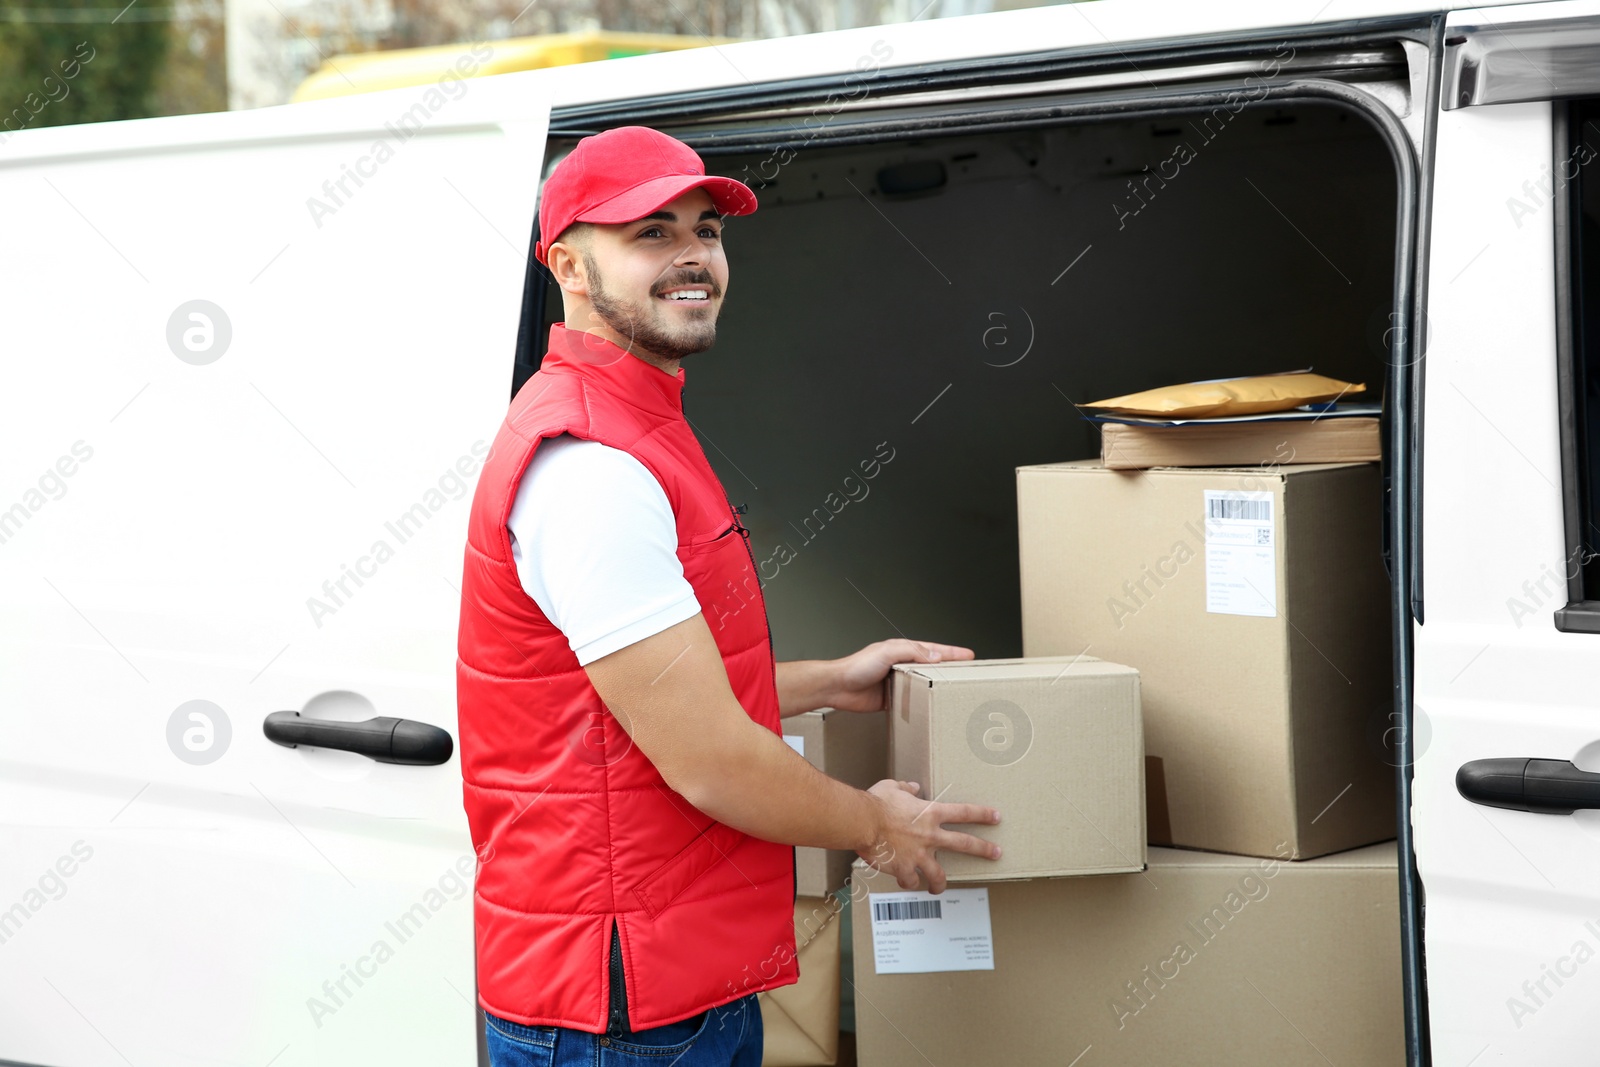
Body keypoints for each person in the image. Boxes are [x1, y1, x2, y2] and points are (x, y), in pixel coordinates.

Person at [455, 125, 1002, 1067]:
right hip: (624, 1010)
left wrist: (835, 680)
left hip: (664, 984)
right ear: (569, 268)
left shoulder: (635, 424)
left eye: (704, 230)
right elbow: (706, 757)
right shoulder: (590, 464)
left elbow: (638, 702)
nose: (693, 257)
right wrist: (876, 824)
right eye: (650, 234)